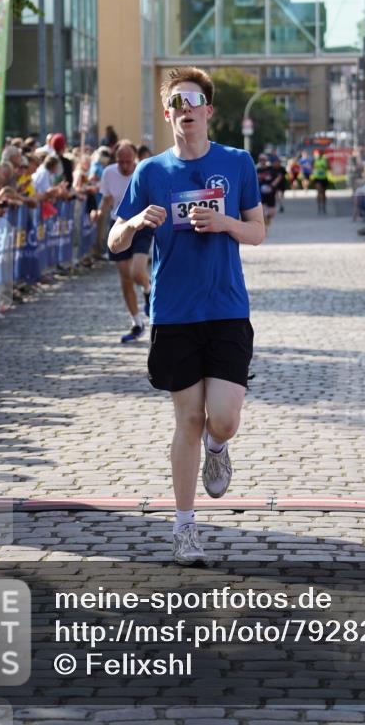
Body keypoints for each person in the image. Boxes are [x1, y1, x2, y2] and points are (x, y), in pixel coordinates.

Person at [108, 66, 264, 566]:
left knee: (224, 418)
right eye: (176, 102)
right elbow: (113, 240)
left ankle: (219, 449)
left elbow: (258, 232)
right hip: (174, 312)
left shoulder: (237, 162)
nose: (185, 109)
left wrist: (223, 222)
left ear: (209, 111)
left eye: (193, 100)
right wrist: (133, 222)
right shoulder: (151, 172)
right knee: (188, 419)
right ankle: (185, 527)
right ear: (168, 113)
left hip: (226, 307)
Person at [100, 140, 153, 342]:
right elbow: (106, 200)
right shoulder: (108, 173)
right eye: (121, 161)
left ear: (135, 159)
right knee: (125, 278)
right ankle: (137, 323)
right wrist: (98, 212)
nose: (124, 166)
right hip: (119, 227)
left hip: (141, 225)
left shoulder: (143, 171)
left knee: (137, 271)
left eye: (128, 161)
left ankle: (148, 291)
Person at [310, 148, 330, 214]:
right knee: (319, 192)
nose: (320, 154)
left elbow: (329, 167)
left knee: (323, 193)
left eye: (321, 153)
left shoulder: (325, 160)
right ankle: (319, 206)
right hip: (317, 178)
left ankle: (324, 206)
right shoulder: (315, 160)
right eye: (319, 153)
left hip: (324, 178)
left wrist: (325, 167)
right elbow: (311, 167)